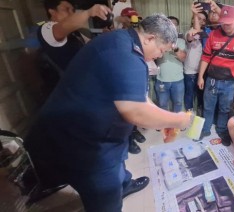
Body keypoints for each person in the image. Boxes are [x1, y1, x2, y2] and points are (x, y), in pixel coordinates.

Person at [24, 14, 192, 212]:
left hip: (101, 134)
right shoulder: (127, 55)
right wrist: (179, 120)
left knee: (119, 163)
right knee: (104, 199)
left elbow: (137, 96)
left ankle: (124, 185)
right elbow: (136, 111)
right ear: (150, 38)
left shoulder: (120, 40)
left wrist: (164, 120)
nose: (159, 56)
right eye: (161, 50)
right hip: (84, 142)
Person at [198, 6, 234, 145]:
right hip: (212, 80)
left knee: (224, 109)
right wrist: (200, 77)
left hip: (229, 83)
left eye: (229, 21)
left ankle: (222, 130)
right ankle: (205, 128)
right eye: (224, 22)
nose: (226, 25)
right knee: (208, 107)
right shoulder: (213, 34)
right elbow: (205, 57)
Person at [37, 0, 111, 93]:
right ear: (52, 12)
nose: (71, 13)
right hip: (77, 87)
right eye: (66, 9)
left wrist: (104, 36)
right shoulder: (46, 28)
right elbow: (62, 28)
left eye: (73, 10)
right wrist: (89, 12)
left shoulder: (74, 32)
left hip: (90, 79)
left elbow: (88, 46)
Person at [116, 7, 147, 154]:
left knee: (138, 104)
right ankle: (128, 140)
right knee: (127, 111)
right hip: (123, 76)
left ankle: (134, 131)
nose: (132, 21)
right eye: (130, 18)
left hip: (137, 72)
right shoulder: (118, 32)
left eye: (135, 18)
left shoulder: (138, 33)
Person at [155, 16, 186, 113]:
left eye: (175, 24)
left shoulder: (181, 41)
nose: (172, 26)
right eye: (170, 24)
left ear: (177, 27)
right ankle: (164, 124)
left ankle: (176, 124)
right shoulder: (158, 41)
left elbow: (183, 58)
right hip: (162, 79)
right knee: (162, 104)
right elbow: (155, 57)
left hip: (178, 80)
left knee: (178, 103)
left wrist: (174, 47)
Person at [183, 3, 208, 114]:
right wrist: (195, 14)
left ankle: (199, 113)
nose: (201, 21)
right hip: (190, 72)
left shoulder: (206, 34)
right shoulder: (190, 32)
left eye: (203, 19)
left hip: (202, 71)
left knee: (201, 94)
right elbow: (192, 35)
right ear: (193, 20)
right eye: (198, 18)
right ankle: (189, 115)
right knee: (189, 94)